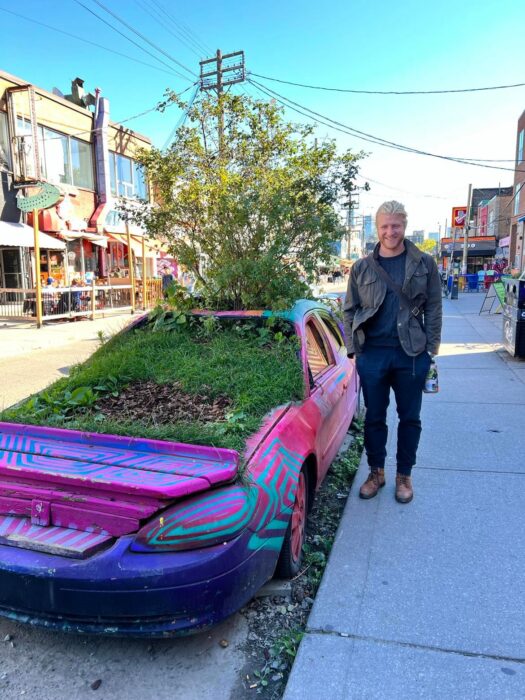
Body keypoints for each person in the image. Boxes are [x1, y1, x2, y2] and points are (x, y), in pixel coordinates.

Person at [343, 201, 442, 504]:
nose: (390, 232)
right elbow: (349, 310)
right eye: (384, 226)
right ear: (377, 228)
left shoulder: (424, 264)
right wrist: (354, 350)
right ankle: (376, 472)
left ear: (404, 225)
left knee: (409, 417)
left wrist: (431, 350)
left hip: (410, 354)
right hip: (373, 355)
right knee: (374, 417)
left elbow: (434, 308)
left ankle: (404, 476)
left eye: (395, 225)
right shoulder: (361, 267)